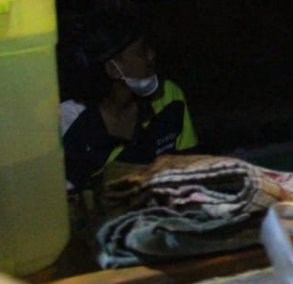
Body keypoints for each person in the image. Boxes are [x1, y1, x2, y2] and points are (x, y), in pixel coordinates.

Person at [58, 10, 198, 193]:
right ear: (113, 69)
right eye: (141, 51)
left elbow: (191, 170)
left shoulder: (169, 98)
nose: (151, 55)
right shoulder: (68, 122)